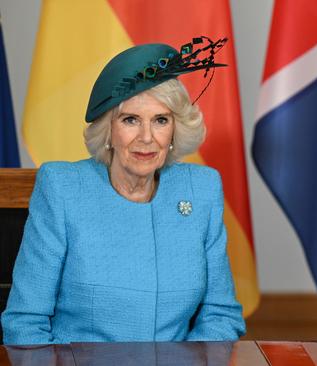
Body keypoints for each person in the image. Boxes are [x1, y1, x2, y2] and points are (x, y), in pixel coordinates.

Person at [1, 38, 246, 344]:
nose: (147, 138)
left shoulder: (201, 189)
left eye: (160, 120)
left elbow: (221, 316)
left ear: (174, 130)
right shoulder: (63, 188)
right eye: (130, 120)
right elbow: (25, 324)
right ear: (108, 131)